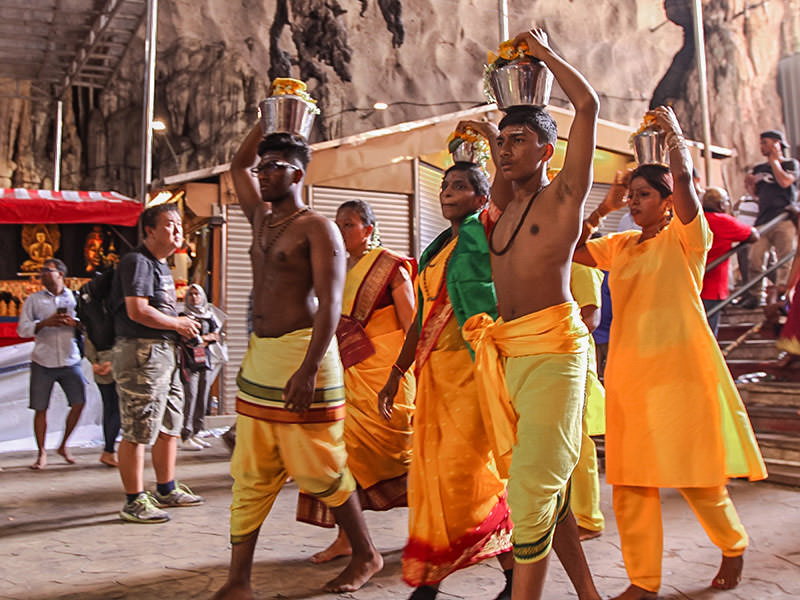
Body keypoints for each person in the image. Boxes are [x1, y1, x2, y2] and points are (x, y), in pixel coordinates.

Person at [573, 106, 767, 600]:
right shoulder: (622, 245)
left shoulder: (687, 238)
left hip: (681, 370)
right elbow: (571, 249)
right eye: (632, 195)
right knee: (632, 480)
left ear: (667, 201)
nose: (635, 203)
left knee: (694, 474)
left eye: (644, 196)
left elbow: (683, 182)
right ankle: (643, 580)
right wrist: (605, 204)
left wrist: (676, 139)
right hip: (631, 373)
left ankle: (733, 544)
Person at [212, 126, 382, 600]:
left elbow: (331, 304)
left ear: (298, 174)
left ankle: (366, 553)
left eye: (273, 166)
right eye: (262, 166)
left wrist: (308, 370)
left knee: (320, 466)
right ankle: (238, 580)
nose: (262, 174)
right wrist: (266, 121)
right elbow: (235, 167)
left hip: (304, 354)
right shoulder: (261, 218)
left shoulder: (318, 228)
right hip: (261, 356)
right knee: (251, 468)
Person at [460, 28, 601, 600]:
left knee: (530, 493)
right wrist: (495, 119)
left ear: (547, 150)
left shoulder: (564, 196)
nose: (504, 150)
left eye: (517, 141)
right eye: (501, 143)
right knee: (546, 490)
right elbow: (492, 160)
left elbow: (588, 106)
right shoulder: (503, 202)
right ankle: (589, 595)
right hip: (509, 353)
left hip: (556, 352)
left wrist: (542, 57)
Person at [378, 162, 514, 600]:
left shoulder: (483, 233)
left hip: (470, 373)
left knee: (467, 476)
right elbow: (420, 316)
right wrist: (396, 371)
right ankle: (440, 580)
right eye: (445, 185)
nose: (448, 192)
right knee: (434, 477)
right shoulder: (439, 248)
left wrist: (495, 144)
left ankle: (446, 581)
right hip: (434, 376)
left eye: (460, 186)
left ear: (480, 198)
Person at [300, 199, 416, 563]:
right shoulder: (334, 269)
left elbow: (411, 324)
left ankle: (428, 529)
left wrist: (406, 372)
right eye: (337, 224)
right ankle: (346, 538)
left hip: (386, 377)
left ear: (368, 229)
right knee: (339, 454)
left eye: (349, 224)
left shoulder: (391, 267)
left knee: (402, 457)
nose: (341, 230)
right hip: (344, 375)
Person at [109, 203, 205, 524]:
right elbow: (137, 310)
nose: (177, 231)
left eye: (179, 225)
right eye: (169, 225)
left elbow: (157, 310)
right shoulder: (137, 261)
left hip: (164, 353)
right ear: (149, 230)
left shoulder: (162, 266)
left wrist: (180, 323)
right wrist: (177, 324)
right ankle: (134, 501)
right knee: (138, 427)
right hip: (142, 353)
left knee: (169, 424)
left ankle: (165, 488)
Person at [17, 258, 85, 470]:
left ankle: (63, 445)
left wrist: (75, 324)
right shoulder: (34, 300)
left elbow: (89, 326)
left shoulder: (76, 299)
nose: (43, 274)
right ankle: (41, 453)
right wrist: (44, 323)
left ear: (61, 274)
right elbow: (22, 329)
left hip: (70, 358)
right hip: (42, 360)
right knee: (40, 408)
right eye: (42, 271)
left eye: (48, 270)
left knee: (79, 402)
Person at [568, 263, 606, 542]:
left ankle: (589, 518)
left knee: (579, 445)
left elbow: (590, 319)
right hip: (551, 361)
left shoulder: (581, 265)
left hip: (572, 363)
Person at [741, 129, 799, 307]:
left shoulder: (790, 164)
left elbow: (785, 182)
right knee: (755, 258)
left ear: (777, 143)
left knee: (785, 259)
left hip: (784, 218)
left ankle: (782, 291)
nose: (762, 147)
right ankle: (755, 294)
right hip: (764, 219)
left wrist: (775, 161)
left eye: (765, 143)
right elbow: (756, 195)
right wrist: (750, 184)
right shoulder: (759, 169)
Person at [700, 187, 758, 336]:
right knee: (708, 334)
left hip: (691, 283)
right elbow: (753, 235)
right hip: (712, 287)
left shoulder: (696, 220)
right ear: (721, 205)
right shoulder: (722, 221)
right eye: (726, 202)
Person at [178, 283, 220, 451]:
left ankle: (196, 432)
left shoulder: (208, 316)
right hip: (189, 363)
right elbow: (185, 339)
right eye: (191, 294)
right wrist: (204, 339)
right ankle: (185, 434)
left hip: (205, 361)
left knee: (203, 398)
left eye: (197, 294)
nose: (194, 297)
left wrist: (202, 339)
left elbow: (216, 335)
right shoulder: (183, 316)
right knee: (190, 397)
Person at [84, 338, 120, 467]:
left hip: (100, 361)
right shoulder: (119, 318)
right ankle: (109, 451)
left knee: (109, 408)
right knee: (118, 409)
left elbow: (87, 338)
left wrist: (93, 362)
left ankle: (108, 450)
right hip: (119, 361)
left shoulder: (91, 319)